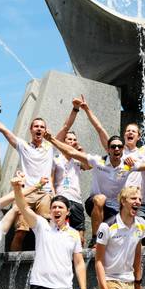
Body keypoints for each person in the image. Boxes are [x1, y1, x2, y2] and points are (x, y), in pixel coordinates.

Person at [43, 132, 145, 246]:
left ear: (123, 149)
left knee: (129, 209)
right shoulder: (98, 161)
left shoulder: (128, 165)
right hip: (95, 203)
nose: (117, 149)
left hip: (114, 206)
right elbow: (71, 151)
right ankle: (95, 239)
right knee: (100, 199)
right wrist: (52, 139)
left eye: (119, 146)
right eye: (113, 147)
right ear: (108, 149)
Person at [0, 104, 54, 251]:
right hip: (26, 193)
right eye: (36, 126)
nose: (39, 129)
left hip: (45, 193)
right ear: (31, 130)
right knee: (20, 232)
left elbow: (66, 127)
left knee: (45, 231)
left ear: (45, 131)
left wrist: (76, 109)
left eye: (42, 127)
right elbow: (4, 130)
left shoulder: (50, 146)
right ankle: (13, 266)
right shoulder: (23, 145)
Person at [51, 97, 93, 244]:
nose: (71, 142)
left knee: (80, 236)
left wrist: (82, 153)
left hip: (77, 200)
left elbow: (89, 166)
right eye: (68, 139)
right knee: (60, 234)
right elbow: (65, 127)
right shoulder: (56, 158)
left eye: (74, 140)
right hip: (62, 198)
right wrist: (75, 109)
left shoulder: (77, 160)